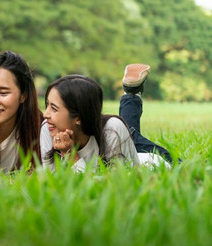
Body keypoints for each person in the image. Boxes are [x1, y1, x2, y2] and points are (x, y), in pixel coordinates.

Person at [40, 64, 173, 172]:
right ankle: (131, 93)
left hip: (153, 162)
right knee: (131, 132)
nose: (45, 114)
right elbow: (52, 184)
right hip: (126, 147)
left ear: (78, 117)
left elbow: (114, 190)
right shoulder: (48, 128)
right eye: (47, 106)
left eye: (54, 108)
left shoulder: (112, 130)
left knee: (131, 134)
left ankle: (131, 93)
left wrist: (71, 156)